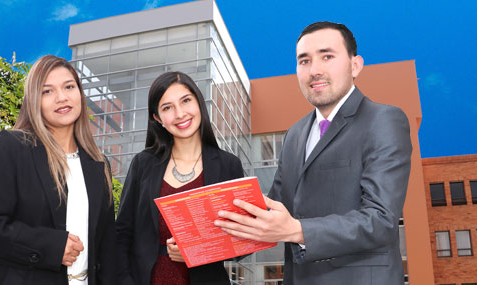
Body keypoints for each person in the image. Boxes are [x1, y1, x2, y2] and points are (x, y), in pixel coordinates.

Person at [214, 22, 412, 284]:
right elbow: (275, 212)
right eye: (304, 61)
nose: (314, 70)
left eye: (327, 56)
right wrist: (206, 241)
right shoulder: (295, 134)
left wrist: (297, 230)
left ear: (355, 65)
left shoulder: (383, 120)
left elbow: (381, 219)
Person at [0, 55, 116, 284]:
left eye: (69, 87)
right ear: (33, 101)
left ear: (79, 93)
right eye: (47, 91)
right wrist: (53, 246)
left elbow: (108, 245)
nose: (61, 97)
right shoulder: (12, 147)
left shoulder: (98, 164)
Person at [116, 71, 244, 285]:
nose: (180, 113)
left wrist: (198, 251)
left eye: (186, 101)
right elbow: (122, 234)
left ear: (198, 103)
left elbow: (242, 241)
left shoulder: (228, 165)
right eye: (167, 107)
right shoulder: (143, 164)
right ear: (158, 118)